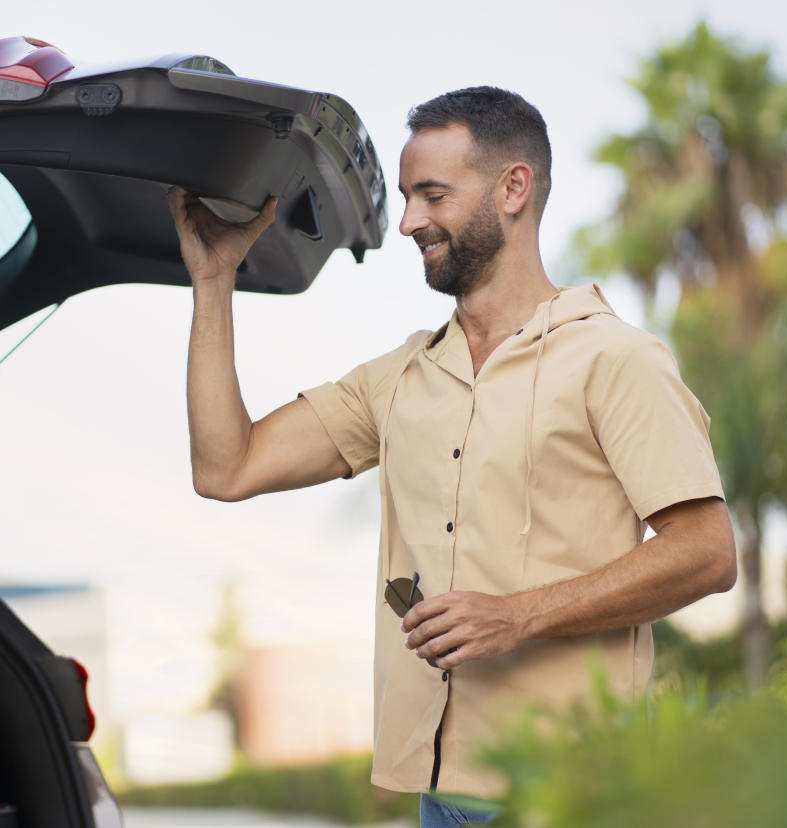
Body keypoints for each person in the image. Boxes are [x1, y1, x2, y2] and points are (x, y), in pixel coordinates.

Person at [167, 86, 737, 827]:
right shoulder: (401, 378)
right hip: (441, 794)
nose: (407, 223)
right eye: (406, 198)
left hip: (569, 793)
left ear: (513, 188)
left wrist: (519, 616)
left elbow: (707, 553)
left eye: (431, 195)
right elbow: (226, 468)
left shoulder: (614, 358)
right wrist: (214, 280)